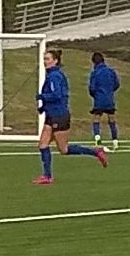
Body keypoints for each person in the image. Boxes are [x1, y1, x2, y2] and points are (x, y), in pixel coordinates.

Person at [34, 49, 107, 186]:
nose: (45, 62)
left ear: (55, 61)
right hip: (52, 115)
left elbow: (57, 95)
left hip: (59, 115)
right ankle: (47, 176)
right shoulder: (52, 75)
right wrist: (43, 107)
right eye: (44, 59)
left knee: (64, 149)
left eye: (48, 59)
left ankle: (95, 152)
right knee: (43, 144)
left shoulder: (55, 76)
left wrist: (41, 97)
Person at [88, 51, 121, 150]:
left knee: (96, 119)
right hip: (109, 98)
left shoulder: (95, 73)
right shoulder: (111, 71)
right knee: (111, 119)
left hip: (99, 98)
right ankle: (115, 141)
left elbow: (92, 88)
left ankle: (98, 140)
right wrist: (110, 91)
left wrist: (94, 95)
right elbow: (117, 84)